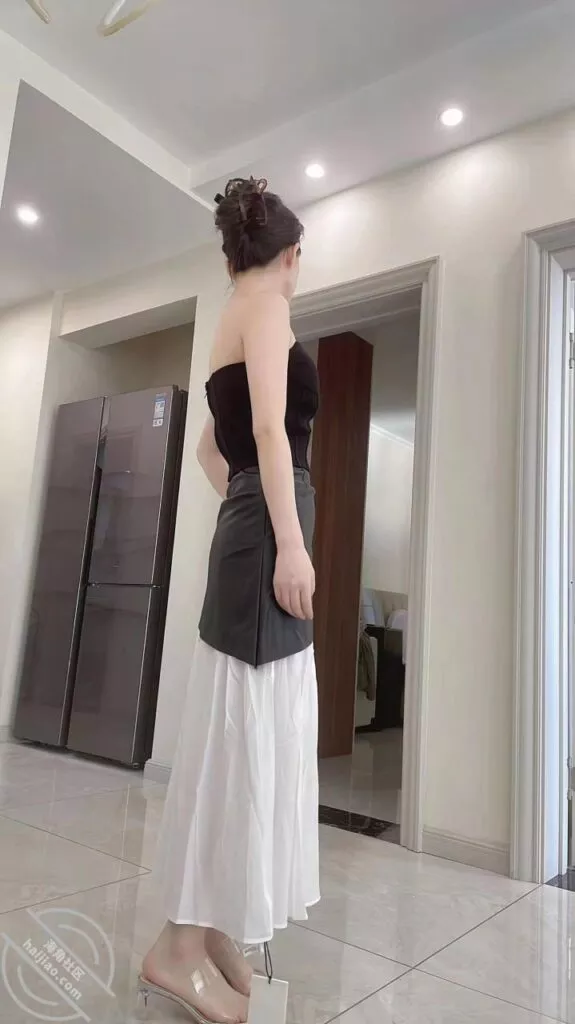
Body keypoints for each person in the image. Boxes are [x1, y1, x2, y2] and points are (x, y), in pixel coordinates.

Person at [139, 177, 320, 1024]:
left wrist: (247, 506)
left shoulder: (227, 317)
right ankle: (177, 949)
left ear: (231, 256)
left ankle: (208, 928)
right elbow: (273, 432)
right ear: (290, 255)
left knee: (237, 730)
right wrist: (288, 540)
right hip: (265, 538)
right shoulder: (269, 309)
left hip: (248, 529)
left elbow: (215, 450)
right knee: (246, 737)